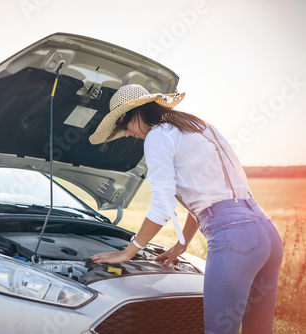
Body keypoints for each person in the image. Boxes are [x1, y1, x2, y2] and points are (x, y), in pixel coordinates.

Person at [89, 84, 283, 334]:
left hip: (235, 238)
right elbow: (207, 197)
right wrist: (182, 244)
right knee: (260, 331)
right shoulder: (198, 126)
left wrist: (128, 252)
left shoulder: (158, 136)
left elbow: (162, 203)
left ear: (134, 113)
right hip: (265, 232)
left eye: (122, 124)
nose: (125, 133)